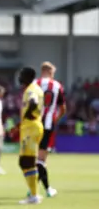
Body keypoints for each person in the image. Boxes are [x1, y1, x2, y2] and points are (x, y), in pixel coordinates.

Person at [34, 62, 65, 197]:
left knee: (37, 158)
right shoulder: (57, 86)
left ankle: (33, 188)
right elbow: (63, 109)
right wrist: (55, 120)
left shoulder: (34, 84)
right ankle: (47, 190)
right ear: (50, 71)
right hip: (47, 125)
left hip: (33, 124)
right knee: (41, 159)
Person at [17, 67, 44, 204]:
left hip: (31, 127)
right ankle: (33, 194)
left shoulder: (31, 89)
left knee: (27, 162)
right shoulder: (34, 88)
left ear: (27, 77)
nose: (20, 78)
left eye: (21, 75)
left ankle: (34, 196)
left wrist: (28, 114)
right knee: (24, 162)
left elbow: (33, 102)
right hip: (30, 127)